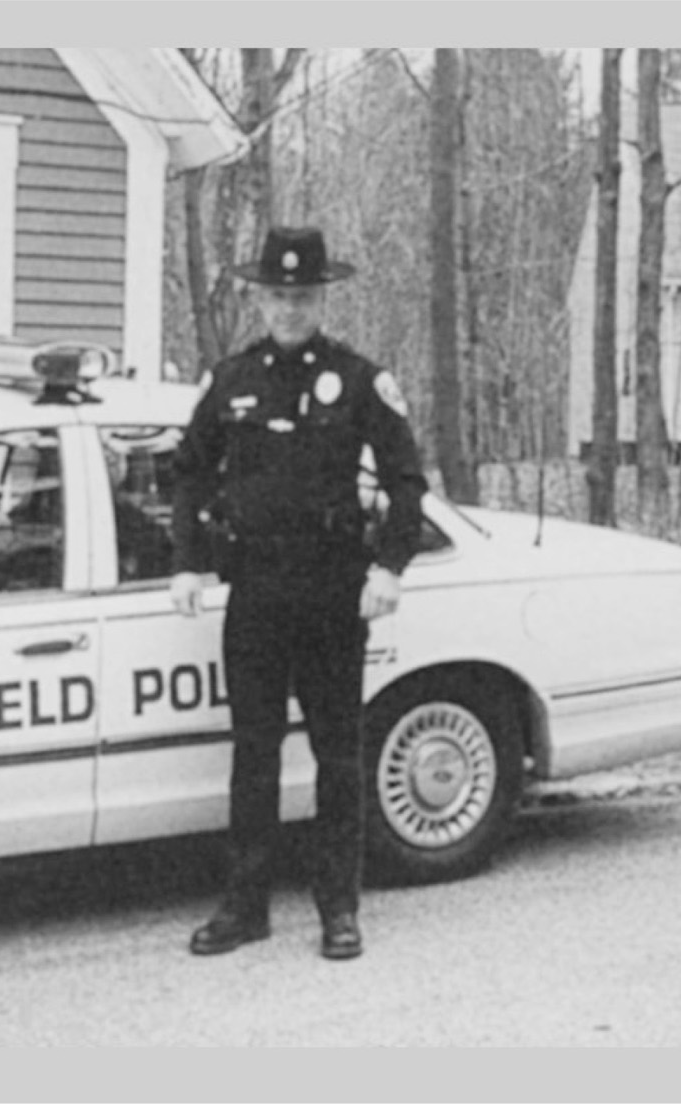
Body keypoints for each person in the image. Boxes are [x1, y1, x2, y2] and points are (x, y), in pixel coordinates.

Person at [169, 226, 428, 961]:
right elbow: (189, 471)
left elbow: (406, 479)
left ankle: (338, 909)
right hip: (254, 589)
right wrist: (187, 561)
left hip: (330, 590)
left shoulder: (357, 379)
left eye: (302, 296)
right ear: (261, 299)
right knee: (252, 754)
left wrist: (389, 569)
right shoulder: (230, 380)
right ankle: (245, 906)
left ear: (321, 298)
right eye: (278, 296)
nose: (289, 308)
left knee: (336, 755)